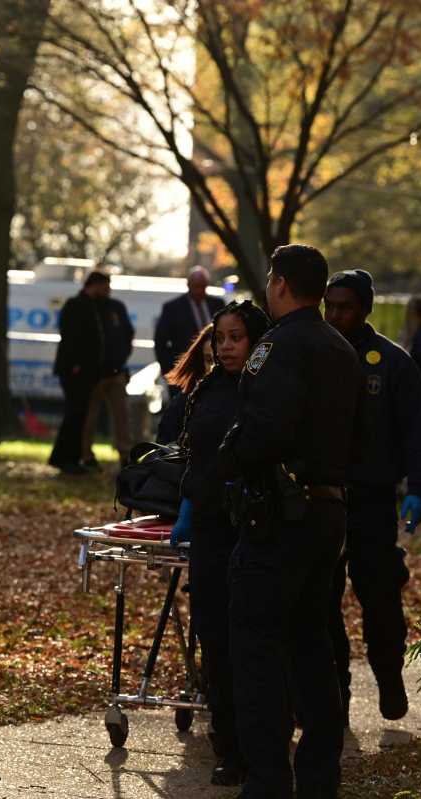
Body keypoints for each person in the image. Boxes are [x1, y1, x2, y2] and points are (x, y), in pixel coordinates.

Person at [221, 244, 360, 799]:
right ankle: (320, 777)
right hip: (327, 511)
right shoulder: (340, 347)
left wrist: (228, 456)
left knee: (256, 649)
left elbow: (263, 426)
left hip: (279, 516)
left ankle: (268, 781)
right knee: (312, 643)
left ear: (280, 284)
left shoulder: (278, 345)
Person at [323, 270, 421, 725]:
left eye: (345, 306)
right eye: (329, 306)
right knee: (321, 601)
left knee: (381, 601)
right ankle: (335, 697)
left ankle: (389, 681)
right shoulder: (317, 356)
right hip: (323, 500)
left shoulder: (392, 362)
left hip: (372, 502)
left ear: (365, 308)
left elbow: (417, 432)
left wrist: (418, 489)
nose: (335, 315)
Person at [169, 300, 270, 785]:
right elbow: (195, 455)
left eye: (236, 338)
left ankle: (257, 745)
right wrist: (189, 505)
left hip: (252, 526)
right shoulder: (208, 389)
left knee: (249, 639)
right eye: (221, 339)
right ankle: (226, 744)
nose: (227, 347)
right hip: (210, 527)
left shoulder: (265, 389)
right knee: (213, 637)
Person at [49, 273, 104, 474]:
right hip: (76, 370)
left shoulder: (89, 305)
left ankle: (69, 457)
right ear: (95, 285)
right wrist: (76, 364)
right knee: (75, 413)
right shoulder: (77, 305)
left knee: (78, 414)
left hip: (82, 370)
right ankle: (65, 458)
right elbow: (73, 337)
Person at [82, 271, 135, 465]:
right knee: (90, 416)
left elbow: (128, 334)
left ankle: (125, 454)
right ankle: (86, 453)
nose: (108, 290)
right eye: (105, 286)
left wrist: (121, 358)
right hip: (96, 374)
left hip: (116, 371)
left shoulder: (116, 308)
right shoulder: (88, 307)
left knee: (122, 416)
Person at [154, 266, 226, 376]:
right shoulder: (173, 308)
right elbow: (160, 341)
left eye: (202, 286)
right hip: (185, 370)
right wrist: (169, 370)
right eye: (196, 286)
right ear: (188, 285)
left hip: (215, 367)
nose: (199, 290)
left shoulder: (217, 304)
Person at [155, 323, 214, 444]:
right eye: (209, 360)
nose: (214, 367)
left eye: (221, 359)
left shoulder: (249, 399)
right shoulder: (183, 404)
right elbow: (164, 449)